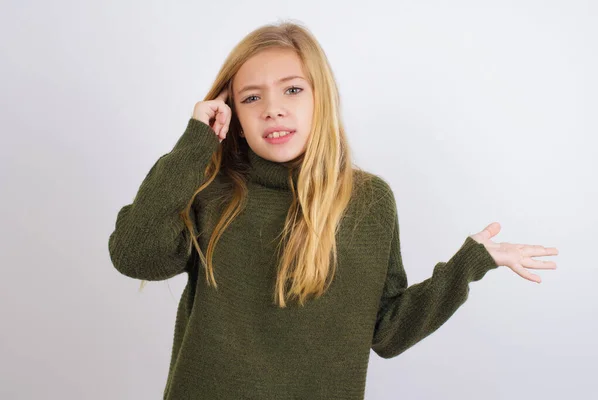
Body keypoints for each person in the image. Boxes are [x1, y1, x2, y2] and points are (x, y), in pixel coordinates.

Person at [107, 20, 559, 400]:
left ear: (321, 98)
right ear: (234, 117)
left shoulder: (368, 203)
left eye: (292, 90)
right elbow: (134, 255)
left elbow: (387, 330)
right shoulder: (210, 191)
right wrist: (195, 143)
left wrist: (469, 264)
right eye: (251, 98)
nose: (273, 110)